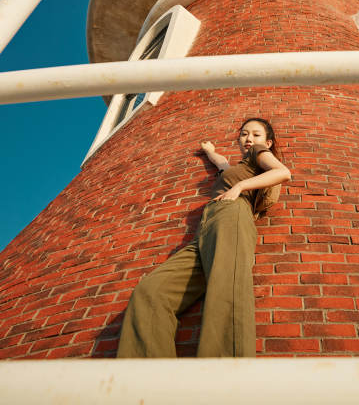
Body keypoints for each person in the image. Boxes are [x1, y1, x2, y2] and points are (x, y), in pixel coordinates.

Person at [116, 118, 291, 358]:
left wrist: (239, 188)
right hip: (206, 227)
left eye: (255, 134)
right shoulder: (236, 168)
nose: (248, 139)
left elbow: (282, 172)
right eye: (243, 134)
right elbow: (222, 163)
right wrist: (210, 151)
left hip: (232, 214)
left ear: (267, 142)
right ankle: (150, 387)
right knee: (150, 294)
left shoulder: (257, 154)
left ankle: (224, 385)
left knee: (226, 287)